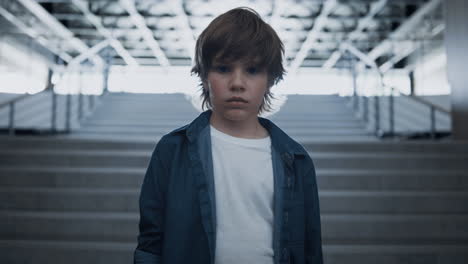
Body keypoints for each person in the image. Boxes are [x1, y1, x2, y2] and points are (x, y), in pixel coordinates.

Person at [134, 7, 323, 264]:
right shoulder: (172, 150)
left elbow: (310, 249)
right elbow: (150, 244)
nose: (237, 83)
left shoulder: (297, 159)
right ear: (204, 76)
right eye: (223, 69)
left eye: (252, 70)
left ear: (271, 79)